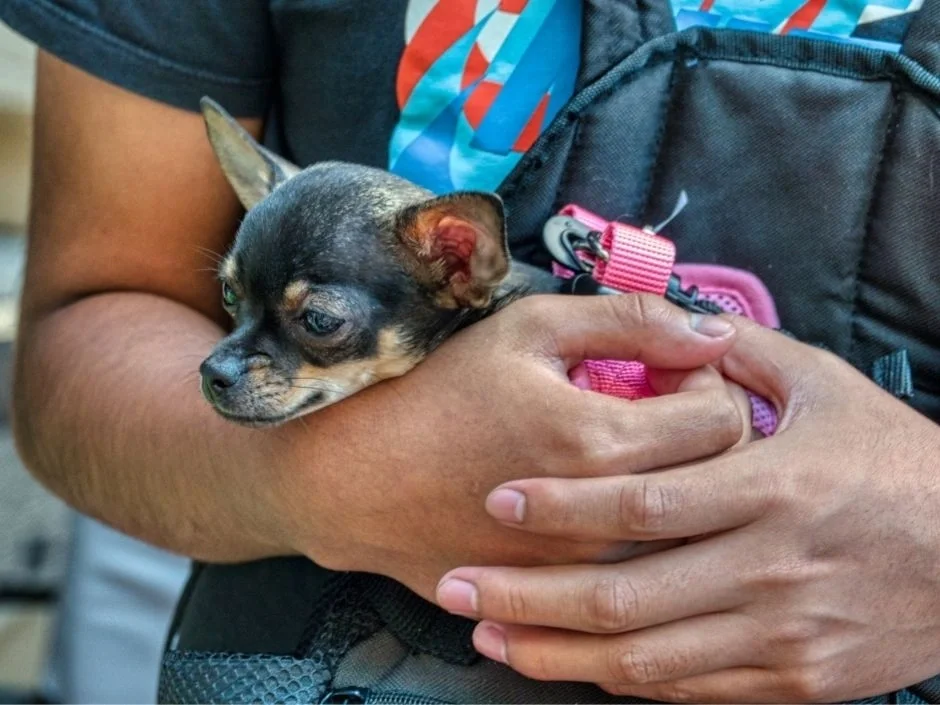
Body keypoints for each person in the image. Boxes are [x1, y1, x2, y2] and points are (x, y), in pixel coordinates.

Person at [1, 0, 938, 702]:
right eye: (237, 306)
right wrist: (326, 478)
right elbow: (93, 314)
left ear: (460, 257)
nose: (231, 358)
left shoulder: (445, 253)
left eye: (314, 320)